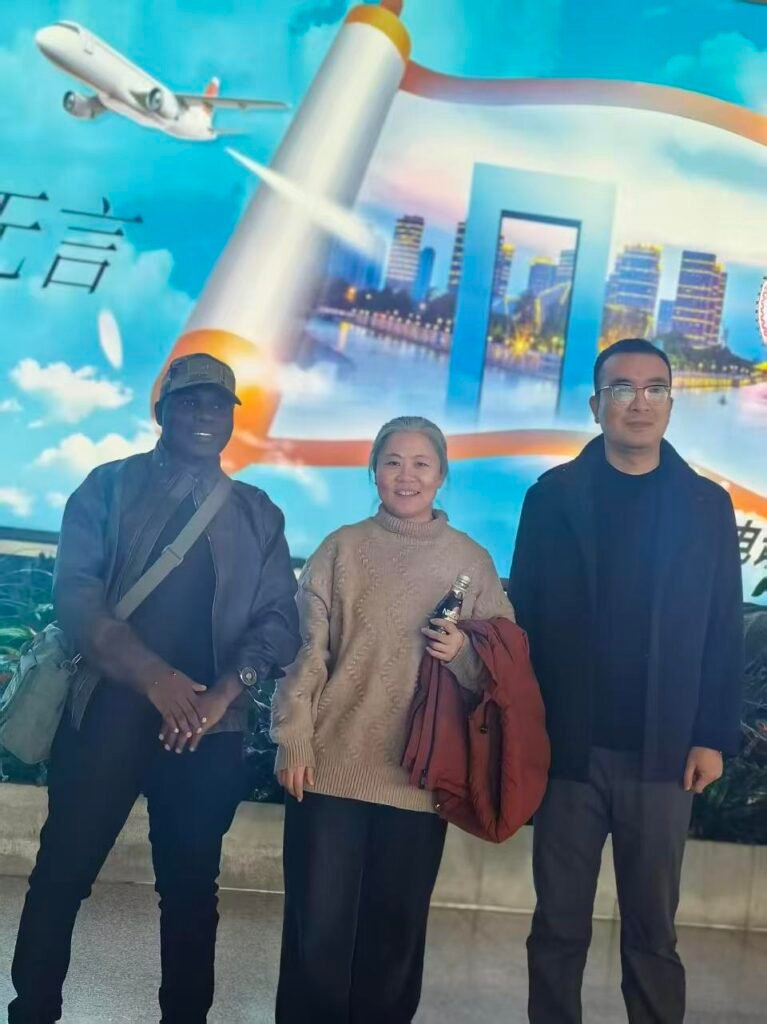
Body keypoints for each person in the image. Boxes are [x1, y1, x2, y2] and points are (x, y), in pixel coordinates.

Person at [8, 353, 301, 1024]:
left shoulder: (258, 513)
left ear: (232, 418)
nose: (204, 414)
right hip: (105, 714)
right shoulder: (107, 487)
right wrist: (156, 679)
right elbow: (77, 599)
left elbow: (278, 621)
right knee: (62, 874)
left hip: (209, 728)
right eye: (189, 401)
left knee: (191, 890)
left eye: (217, 404)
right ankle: (32, 1011)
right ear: (161, 409)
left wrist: (222, 694)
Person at [508, 338, 743, 1024]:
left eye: (653, 389)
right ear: (594, 405)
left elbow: (721, 628)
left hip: (664, 753)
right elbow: (524, 622)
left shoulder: (706, 505)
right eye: (621, 389)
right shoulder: (551, 498)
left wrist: (710, 736)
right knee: (557, 927)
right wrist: (523, 735)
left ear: (669, 404)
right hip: (567, 751)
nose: (638, 403)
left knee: (653, 932)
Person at [270, 415, 515, 1024]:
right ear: (374, 471)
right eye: (393, 462)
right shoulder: (341, 548)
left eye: (421, 463)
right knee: (316, 933)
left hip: (419, 776)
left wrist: (463, 654)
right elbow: (306, 650)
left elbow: (503, 669)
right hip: (329, 768)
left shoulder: (472, 562)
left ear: (442, 475)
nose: (407, 476)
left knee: (394, 939)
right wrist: (293, 737)